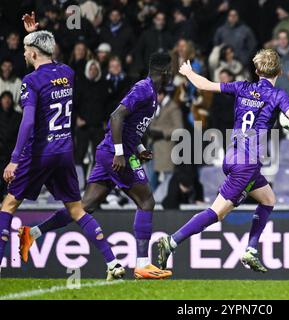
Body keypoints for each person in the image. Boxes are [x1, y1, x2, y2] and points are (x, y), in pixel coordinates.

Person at [19, 50, 174, 280]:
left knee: (83, 208)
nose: (172, 75)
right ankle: (143, 265)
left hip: (109, 153)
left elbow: (131, 126)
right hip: (114, 155)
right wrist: (121, 153)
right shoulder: (143, 88)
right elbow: (116, 116)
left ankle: (32, 233)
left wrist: (139, 149)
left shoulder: (151, 93)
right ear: (165, 72)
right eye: (170, 71)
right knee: (146, 200)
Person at [156, 49, 289, 273]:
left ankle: (250, 250)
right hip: (247, 163)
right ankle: (171, 242)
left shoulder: (242, 87)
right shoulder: (278, 95)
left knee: (268, 198)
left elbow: (205, 85)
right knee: (217, 213)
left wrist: (188, 72)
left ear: (257, 71)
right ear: (280, 70)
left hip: (234, 155)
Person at [1, 12, 124, 280]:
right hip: (65, 151)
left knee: (8, 205)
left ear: (33, 53)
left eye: (25, 50)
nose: (22, 54)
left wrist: (14, 159)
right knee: (76, 209)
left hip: (40, 153)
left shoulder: (30, 82)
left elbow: (28, 122)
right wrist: (35, 35)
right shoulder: (67, 73)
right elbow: (49, 62)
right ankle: (113, 263)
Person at [0, 91, 21, 200]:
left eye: (9, 98)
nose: (6, 101)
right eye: (4, 98)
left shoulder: (18, 117)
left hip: (13, 156)